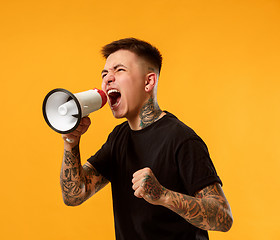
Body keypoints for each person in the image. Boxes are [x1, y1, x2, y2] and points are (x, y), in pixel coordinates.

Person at [60, 38, 233, 239]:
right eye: (104, 73)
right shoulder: (119, 138)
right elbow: (75, 194)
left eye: (119, 70)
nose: (107, 79)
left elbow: (223, 217)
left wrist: (163, 196)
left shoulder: (181, 139)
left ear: (148, 81)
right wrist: (71, 142)